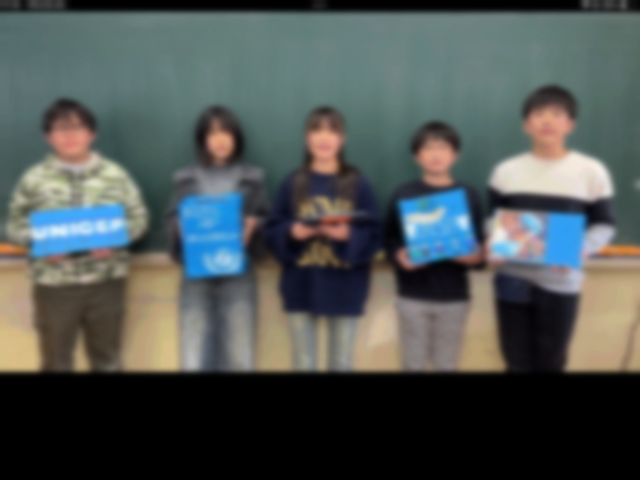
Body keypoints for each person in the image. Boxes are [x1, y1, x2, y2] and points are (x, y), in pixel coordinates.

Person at [6, 98, 149, 372]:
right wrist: (41, 243)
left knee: (108, 362)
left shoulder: (115, 175)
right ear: (48, 136)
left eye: (77, 127)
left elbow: (139, 219)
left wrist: (115, 241)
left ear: (91, 133)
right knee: (56, 363)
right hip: (54, 285)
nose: (70, 135)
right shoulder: (33, 179)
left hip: (106, 282)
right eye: (61, 129)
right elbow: (13, 226)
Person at [487, 85, 616, 372]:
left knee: (552, 361)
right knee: (515, 361)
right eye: (538, 114)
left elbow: (604, 224)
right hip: (512, 278)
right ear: (526, 125)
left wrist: (579, 248)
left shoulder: (591, 170)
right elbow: (492, 218)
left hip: (561, 280)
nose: (547, 121)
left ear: (570, 124)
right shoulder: (505, 171)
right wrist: (493, 238)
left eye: (556, 114)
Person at [264, 106, 382, 372]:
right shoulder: (292, 183)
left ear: (343, 138)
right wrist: (292, 232)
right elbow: (272, 229)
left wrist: (348, 234)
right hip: (300, 284)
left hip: (346, 286)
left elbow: (375, 233)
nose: (324, 138)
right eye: (316, 130)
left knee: (341, 362)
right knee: (303, 362)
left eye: (332, 131)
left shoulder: (358, 183)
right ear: (306, 138)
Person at [165, 105, 269, 372]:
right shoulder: (185, 179)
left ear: (236, 137)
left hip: (239, 278)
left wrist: (254, 226)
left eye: (226, 132)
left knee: (239, 358)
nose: (220, 139)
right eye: (212, 133)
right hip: (196, 279)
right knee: (193, 359)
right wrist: (179, 227)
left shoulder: (252, 179)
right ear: (202, 139)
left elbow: (266, 218)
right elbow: (171, 219)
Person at [384, 121, 484, 372]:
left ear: (455, 154)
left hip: (454, 296)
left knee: (446, 364)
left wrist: (472, 256)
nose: (436, 154)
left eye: (443, 147)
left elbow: (480, 250)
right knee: (412, 364)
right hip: (412, 294)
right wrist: (398, 256)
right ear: (416, 156)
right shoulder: (403, 194)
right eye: (428, 148)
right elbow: (387, 239)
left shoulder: (468, 194)